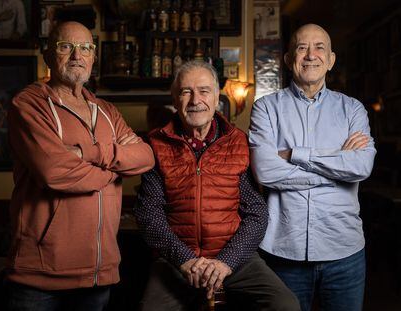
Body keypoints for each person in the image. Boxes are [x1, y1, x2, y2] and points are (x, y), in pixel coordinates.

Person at [6, 21, 155, 311]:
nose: (77, 55)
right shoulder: (29, 105)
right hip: (39, 277)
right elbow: (54, 172)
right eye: (66, 47)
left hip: (98, 274)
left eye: (86, 48)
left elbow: (146, 156)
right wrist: (115, 171)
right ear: (48, 55)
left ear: (94, 57)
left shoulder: (108, 111)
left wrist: (87, 153)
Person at [135, 60, 300, 311]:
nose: (195, 100)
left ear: (216, 98)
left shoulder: (238, 143)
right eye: (186, 91)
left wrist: (225, 262)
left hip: (233, 258)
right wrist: (186, 260)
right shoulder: (156, 145)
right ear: (175, 98)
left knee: (285, 305)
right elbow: (149, 215)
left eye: (203, 91)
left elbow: (256, 213)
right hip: (176, 260)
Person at [249, 24, 376, 311]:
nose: (310, 55)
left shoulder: (353, 109)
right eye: (302, 47)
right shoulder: (265, 108)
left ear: (331, 59)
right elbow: (265, 171)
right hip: (283, 252)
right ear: (287, 58)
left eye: (319, 47)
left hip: (344, 252)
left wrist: (295, 154)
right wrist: (336, 167)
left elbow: (361, 165)